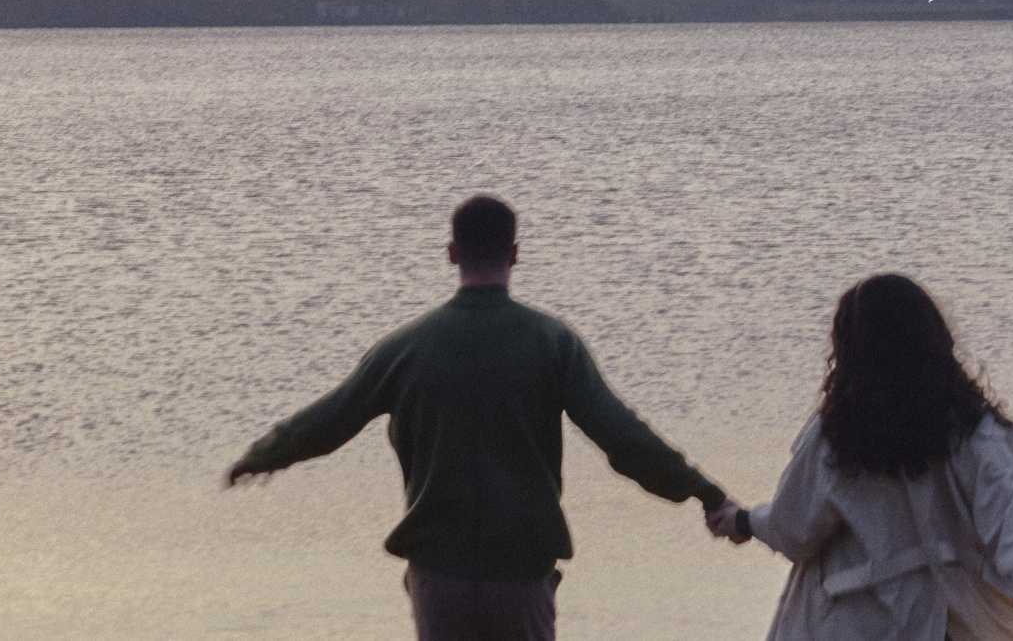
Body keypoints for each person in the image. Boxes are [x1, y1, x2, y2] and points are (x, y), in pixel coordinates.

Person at [224, 195, 739, 641]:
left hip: (439, 579)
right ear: (515, 254)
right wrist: (705, 493)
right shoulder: (552, 343)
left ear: (451, 254)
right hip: (520, 575)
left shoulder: (405, 348)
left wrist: (259, 457)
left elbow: (329, 419)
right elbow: (623, 438)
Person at [712, 274, 1013, 641]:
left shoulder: (832, 436)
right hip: (962, 618)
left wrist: (744, 520)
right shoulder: (970, 432)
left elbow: (796, 531)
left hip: (859, 625)